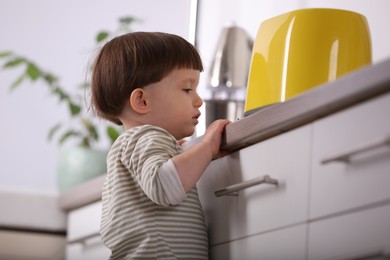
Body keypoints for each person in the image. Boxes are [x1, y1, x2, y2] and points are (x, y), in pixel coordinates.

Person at [90, 31, 230, 259]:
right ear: (142, 101)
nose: (198, 100)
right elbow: (164, 185)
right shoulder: (148, 136)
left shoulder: (132, 143)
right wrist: (206, 147)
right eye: (187, 89)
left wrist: (187, 152)